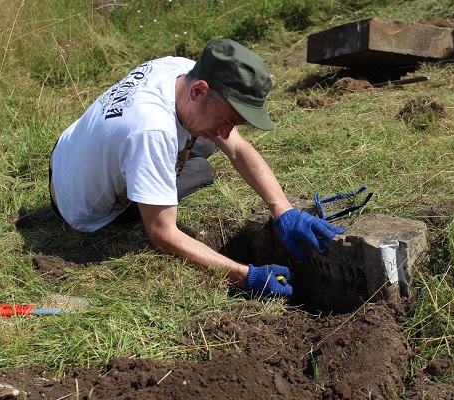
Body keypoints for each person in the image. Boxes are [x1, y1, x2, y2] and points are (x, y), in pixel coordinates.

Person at [49, 38, 345, 298]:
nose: (228, 132)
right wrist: (246, 276)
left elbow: (238, 149)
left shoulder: (179, 69)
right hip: (81, 208)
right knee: (202, 169)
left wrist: (285, 210)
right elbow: (162, 235)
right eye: (228, 119)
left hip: (67, 153)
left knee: (207, 141)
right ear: (199, 91)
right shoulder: (152, 132)